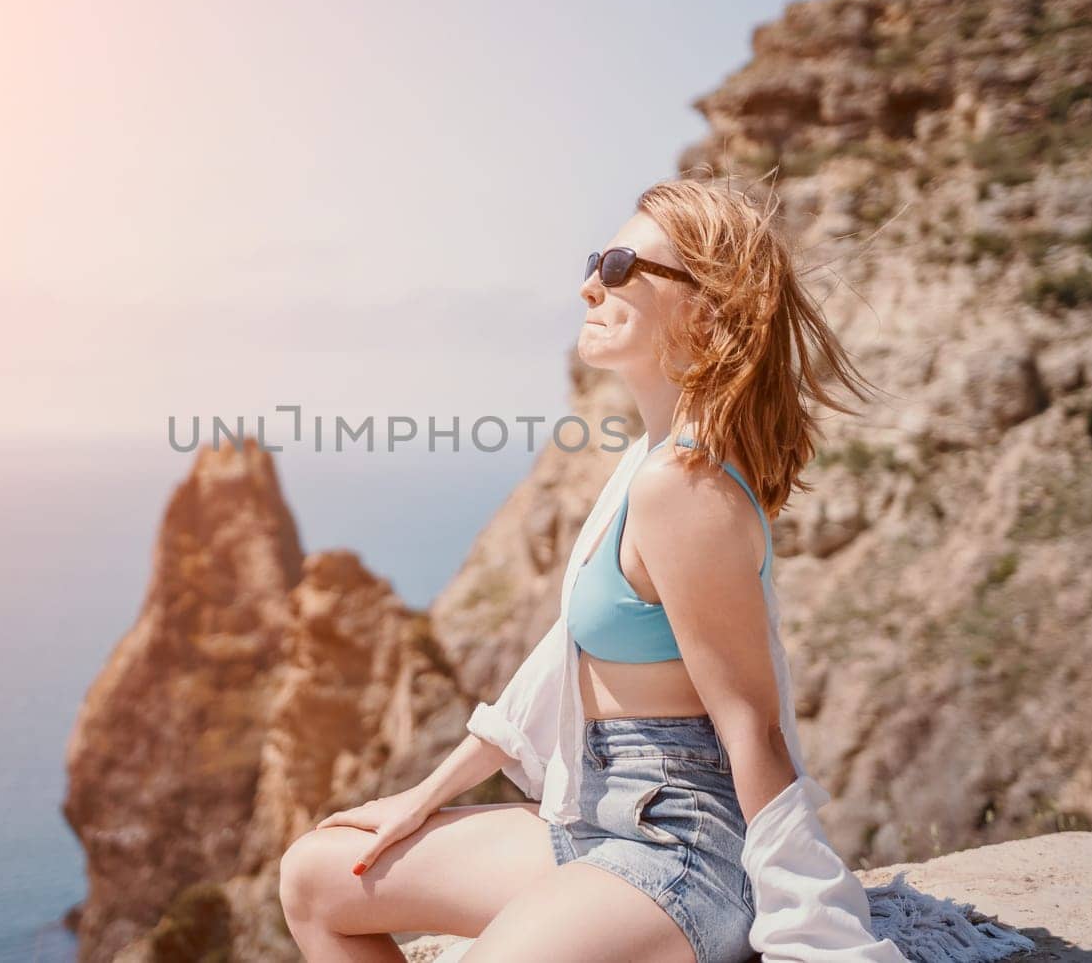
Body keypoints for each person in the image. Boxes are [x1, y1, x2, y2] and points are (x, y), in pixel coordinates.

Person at [279, 175, 905, 963]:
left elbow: (753, 724)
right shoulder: (645, 463)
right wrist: (421, 797)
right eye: (595, 260)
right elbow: (557, 662)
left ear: (704, 310)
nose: (587, 285)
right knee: (313, 878)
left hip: (683, 849)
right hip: (593, 818)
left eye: (617, 267)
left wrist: (806, 928)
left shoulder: (683, 487)